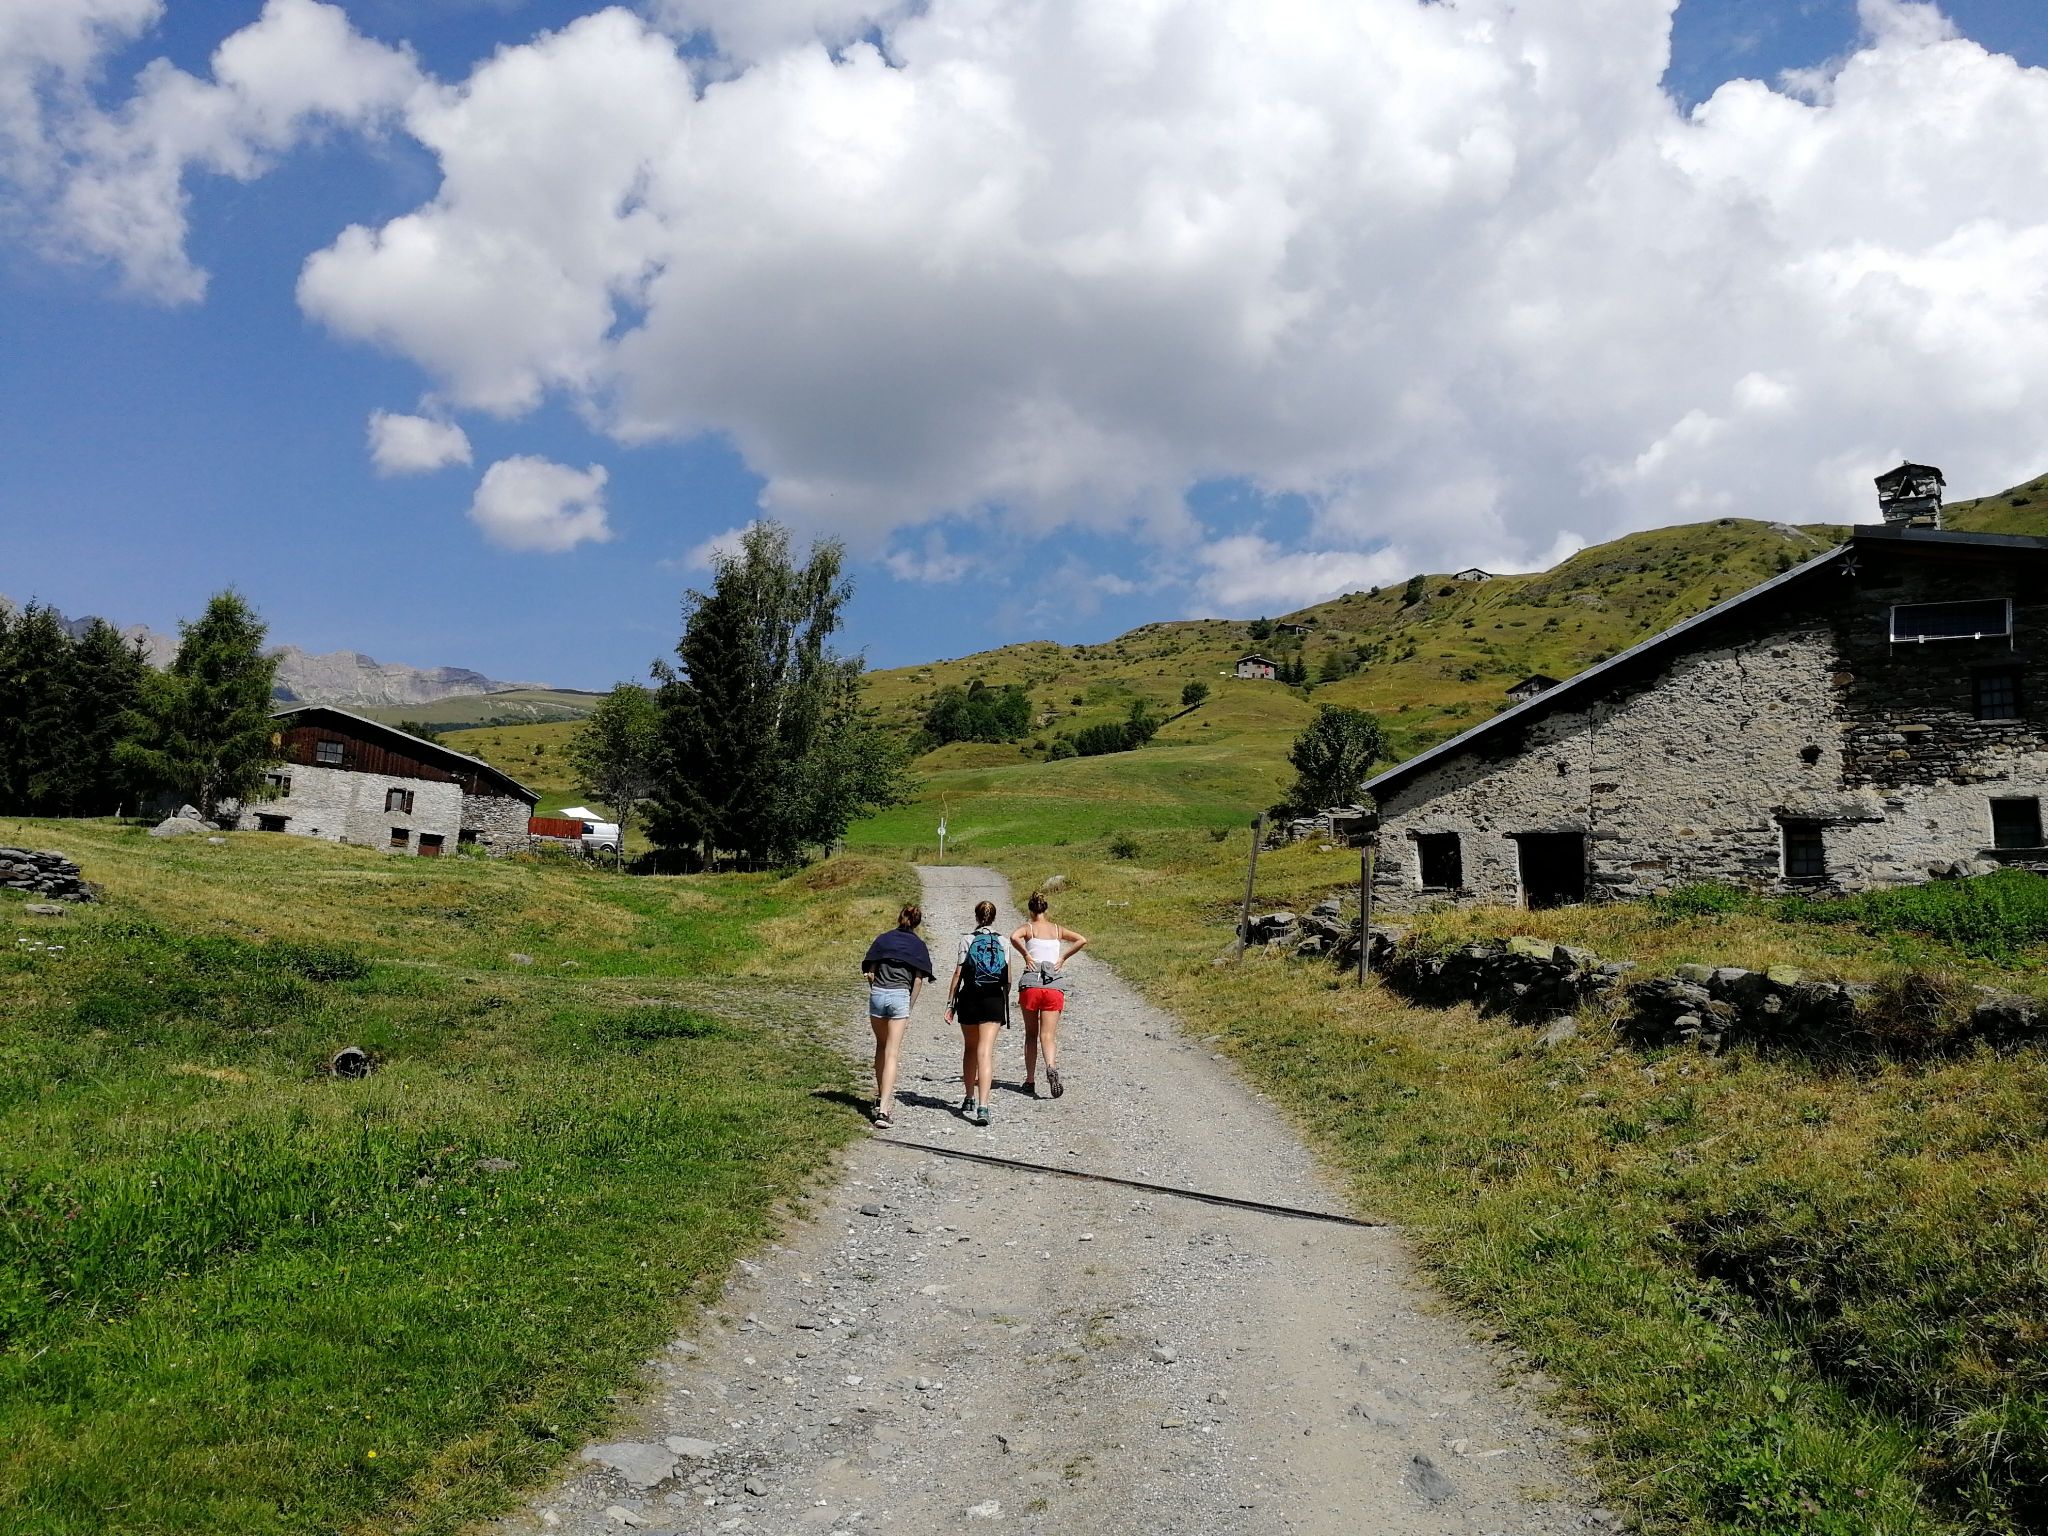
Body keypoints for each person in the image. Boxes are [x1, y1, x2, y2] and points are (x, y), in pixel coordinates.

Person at [860, 903, 934, 1129]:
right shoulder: (918, 946)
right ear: (917, 922)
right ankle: (884, 1109)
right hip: (900, 995)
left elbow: (870, 972)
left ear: (899, 917)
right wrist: (908, 1006)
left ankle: (880, 1094)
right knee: (892, 1052)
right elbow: (918, 981)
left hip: (878, 994)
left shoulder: (883, 940)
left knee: (881, 1046)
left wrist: (876, 990)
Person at [1010, 892, 1087, 1099]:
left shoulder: (1029, 928)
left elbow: (1014, 936)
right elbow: (1081, 940)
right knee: (1048, 1035)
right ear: (1046, 909)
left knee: (1031, 1035)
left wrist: (1026, 955)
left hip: (1031, 984)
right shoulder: (1057, 929)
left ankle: (1030, 1080)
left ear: (1030, 910)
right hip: (1053, 985)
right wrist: (1062, 958)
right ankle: (1051, 1067)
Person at [943, 899, 1009, 1126]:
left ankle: (969, 1097)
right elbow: (1008, 978)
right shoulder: (1003, 941)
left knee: (970, 1048)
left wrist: (950, 1003)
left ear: (976, 916)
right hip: (993, 1000)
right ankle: (984, 1106)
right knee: (986, 1051)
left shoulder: (967, 940)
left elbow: (957, 973)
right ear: (994, 917)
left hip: (969, 998)